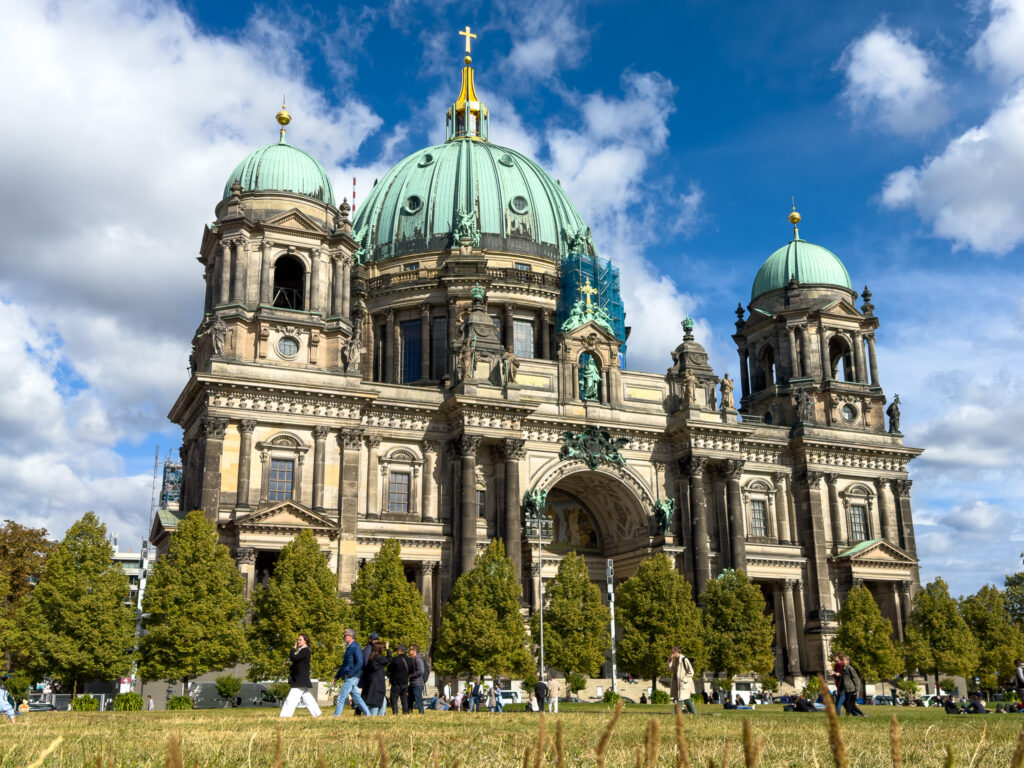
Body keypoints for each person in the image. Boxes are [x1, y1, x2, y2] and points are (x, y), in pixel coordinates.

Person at [279, 633, 322, 718]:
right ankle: (317, 714)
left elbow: (293, 658)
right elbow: (298, 665)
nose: (298, 641)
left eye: (300, 640)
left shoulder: (305, 650)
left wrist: (293, 648)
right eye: (297, 640)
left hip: (300, 679)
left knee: (291, 699)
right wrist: (290, 666)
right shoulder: (302, 651)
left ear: (305, 641)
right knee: (307, 698)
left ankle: (285, 716)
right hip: (300, 678)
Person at [332, 629, 370, 717]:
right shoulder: (349, 647)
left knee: (341, 697)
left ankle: (335, 716)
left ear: (351, 636)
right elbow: (344, 665)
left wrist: (349, 674)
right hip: (348, 676)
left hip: (351, 677)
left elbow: (360, 662)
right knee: (357, 697)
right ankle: (368, 714)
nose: (343, 637)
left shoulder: (356, 647)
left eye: (345, 635)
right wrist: (336, 676)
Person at [362, 640, 391, 716]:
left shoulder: (372, 657)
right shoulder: (378, 657)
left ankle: (379, 716)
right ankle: (374, 716)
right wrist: (388, 649)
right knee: (376, 701)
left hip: (374, 681)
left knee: (382, 699)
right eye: (383, 648)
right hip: (378, 682)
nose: (383, 649)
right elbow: (389, 659)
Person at [669, 646, 697, 715]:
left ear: (677, 652)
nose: (671, 653)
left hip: (684, 683)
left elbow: (691, 672)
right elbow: (670, 669)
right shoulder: (676, 660)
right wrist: (670, 660)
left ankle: (675, 713)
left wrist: (684, 679)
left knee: (680, 698)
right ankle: (694, 713)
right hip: (677, 683)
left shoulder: (684, 659)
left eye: (673, 652)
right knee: (687, 700)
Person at [388, 644, 411, 715]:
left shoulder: (395, 660)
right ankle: (405, 711)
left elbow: (389, 669)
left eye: (397, 649)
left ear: (400, 650)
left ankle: (395, 712)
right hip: (405, 683)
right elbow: (411, 671)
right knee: (404, 699)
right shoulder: (410, 660)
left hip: (396, 683)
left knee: (394, 699)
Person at [408, 644, 427, 713]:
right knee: (409, 699)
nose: (409, 651)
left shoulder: (418, 659)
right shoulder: (413, 659)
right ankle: (408, 711)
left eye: (410, 649)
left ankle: (421, 712)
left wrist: (411, 676)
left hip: (418, 683)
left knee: (418, 699)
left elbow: (421, 671)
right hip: (413, 683)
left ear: (415, 650)